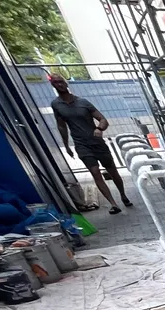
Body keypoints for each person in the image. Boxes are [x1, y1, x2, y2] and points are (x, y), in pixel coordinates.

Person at [48, 75, 133, 215]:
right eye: (55, 82)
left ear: (66, 83)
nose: (59, 84)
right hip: (81, 144)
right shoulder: (56, 105)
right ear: (53, 85)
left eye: (61, 81)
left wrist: (99, 129)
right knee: (95, 172)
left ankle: (123, 195)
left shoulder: (83, 102)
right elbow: (61, 125)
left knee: (112, 170)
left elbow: (103, 119)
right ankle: (113, 204)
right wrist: (66, 145)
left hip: (97, 142)